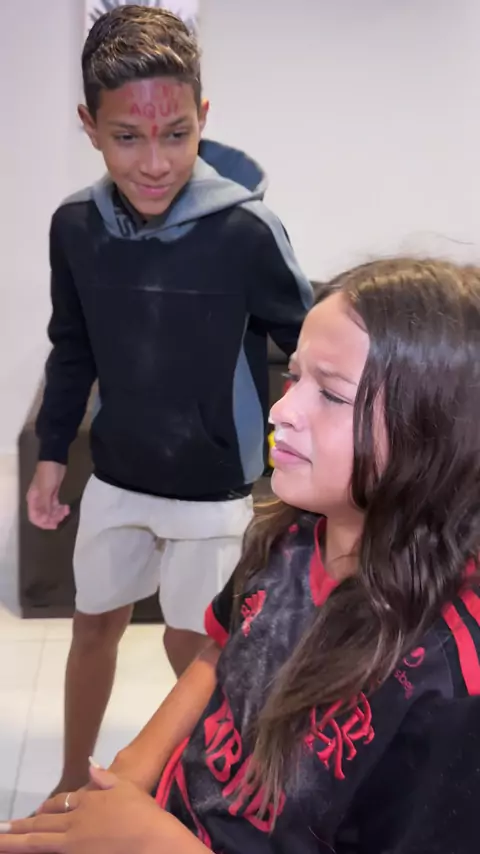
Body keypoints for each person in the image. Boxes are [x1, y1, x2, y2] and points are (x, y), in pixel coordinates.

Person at [6, 257, 480, 853]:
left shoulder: (453, 683)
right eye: (294, 377)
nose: (282, 412)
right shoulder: (289, 536)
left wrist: (153, 841)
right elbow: (222, 653)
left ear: (436, 434)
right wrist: (129, 774)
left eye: (331, 394)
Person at [26, 4, 312, 797]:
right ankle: (70, 784)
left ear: (202, 118)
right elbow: (71, 345)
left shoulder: (247, 231)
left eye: (176, 134)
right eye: (127, 136)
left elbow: (308, 349)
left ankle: (203, 793)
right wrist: (51, 455)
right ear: (89, 125)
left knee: (195, 646)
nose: (154, 162)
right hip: (117, 475)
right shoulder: (74, 227)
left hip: (213, 490)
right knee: (94, 625)